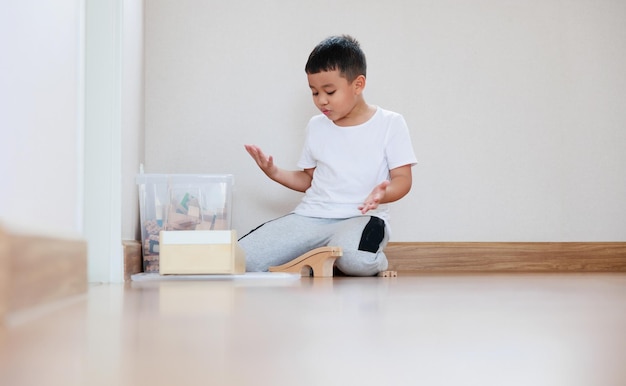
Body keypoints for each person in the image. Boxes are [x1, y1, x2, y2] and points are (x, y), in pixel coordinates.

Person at [240, 35, 417, 276]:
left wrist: (382, 193)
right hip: (312, 216)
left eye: (329, 91)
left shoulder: (390, 123)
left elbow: (403, 180)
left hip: (361, 218)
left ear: (358, 84)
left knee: (357, 262)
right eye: (314, 92)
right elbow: (309, 181)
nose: (321, 100)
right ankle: (320, 257)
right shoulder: (316, 126)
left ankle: (362, 261)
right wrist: (275, 173)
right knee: (243, 258)